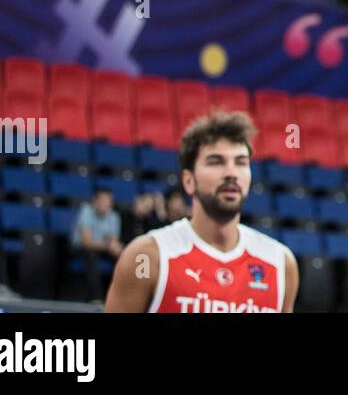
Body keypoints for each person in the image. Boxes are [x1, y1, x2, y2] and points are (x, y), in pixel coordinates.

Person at [106, 112, 299, 312]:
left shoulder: (281, 263)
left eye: (241, 162)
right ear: (189, 181)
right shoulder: (146, 256)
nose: (231, 173)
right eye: (216, 162)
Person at [72, 188, 122, 302]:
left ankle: (117, 297)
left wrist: (119, 250)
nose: (104, 203)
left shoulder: (114, 216)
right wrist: (108, 246)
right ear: (95, 201)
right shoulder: (86, 211)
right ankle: (95, 296)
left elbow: (113, 241)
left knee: (121, 257)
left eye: (107, 200)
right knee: (91, 255)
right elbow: (86, 242)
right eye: (102, 200)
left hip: (102, 248)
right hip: (81, 248)